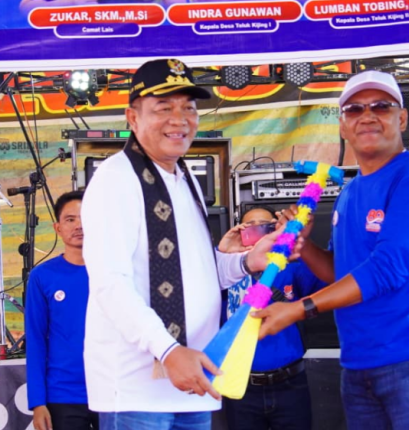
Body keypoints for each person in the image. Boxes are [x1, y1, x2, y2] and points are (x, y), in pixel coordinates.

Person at [80, 58, 289, 430]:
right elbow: (110, 284)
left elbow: (193, 271)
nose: (180, 120)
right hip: (137, 388)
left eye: (189, 108)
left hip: (192, 378)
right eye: (164, 108)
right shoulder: (116, 179)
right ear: (132, 118)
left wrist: (246, 262)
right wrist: (168, 350)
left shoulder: (184, 176)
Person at [253, 70, 409, 429]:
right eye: (354, 109)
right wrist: (304, 247)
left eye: (381, 106)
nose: (367, 116)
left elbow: (387, 269)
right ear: (342, 125)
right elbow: (340, 272)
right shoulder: (349, 192)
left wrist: (298, 309)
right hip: (357, 363)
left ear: (402, 118)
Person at [219, 207, 326, 430]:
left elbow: (328, 281)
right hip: (241, 386)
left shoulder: (292, 266)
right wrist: (222, 251)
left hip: (290, 383)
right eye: (250, 226)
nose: (258, 232)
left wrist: (298, 240)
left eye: (264, 226)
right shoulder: (224, 271)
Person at [25, 190, 99, 430]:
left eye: (85, 217)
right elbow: (36, 340)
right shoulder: (42, 276)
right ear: (58, 228)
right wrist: (37, 403)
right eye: (70, 219)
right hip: (63, 396)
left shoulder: (115, 271)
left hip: (113, 390)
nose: (79, 225)